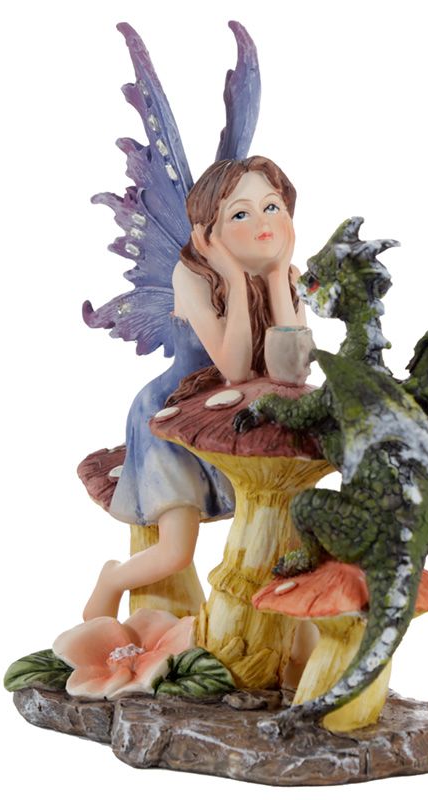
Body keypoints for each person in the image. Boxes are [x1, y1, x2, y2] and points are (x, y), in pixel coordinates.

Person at [83, 156, 306, 620]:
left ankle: (250, 631)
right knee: (176, 551)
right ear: (209, 232)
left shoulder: (286, 275)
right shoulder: (191, 276)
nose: (263, 223)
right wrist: (235, 279)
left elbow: (292, 374)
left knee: (276, 527)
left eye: (272, 206)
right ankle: (112, 580)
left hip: (230, 419)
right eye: (240, 214)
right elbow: (236, 368)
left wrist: (275, 276)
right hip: (170, 417)